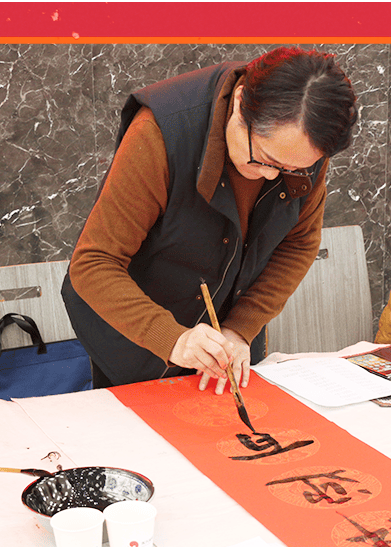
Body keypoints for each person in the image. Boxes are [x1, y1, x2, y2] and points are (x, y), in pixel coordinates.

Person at [62, 47, 357, 390]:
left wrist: (241, 328)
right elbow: (94, 263)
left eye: (291, 169)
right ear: (240, 102)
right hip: (138, 333)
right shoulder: (161, 133)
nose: (272, 176)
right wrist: (173, 339)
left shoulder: (305, 141)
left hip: (228, 335)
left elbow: (299, 244)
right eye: (264, 159)